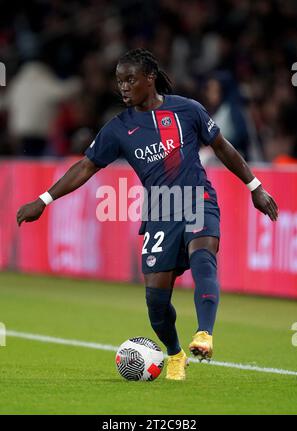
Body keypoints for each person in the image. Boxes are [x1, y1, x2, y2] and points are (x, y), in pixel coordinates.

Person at [17, 48, 279, 381]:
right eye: (119, 81)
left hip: (197, 198)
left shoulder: (188, 110)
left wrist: (255, 185)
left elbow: (222, 146)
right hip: (159, 211)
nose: (123, 87)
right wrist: (44, 199)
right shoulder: (118, 128)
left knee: (203, 256)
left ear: (149, 78)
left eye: (130, 80)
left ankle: (204, 334)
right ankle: (174, 354)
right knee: (156, 303)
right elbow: (86, 166)